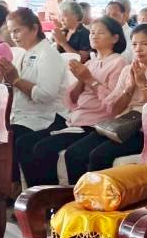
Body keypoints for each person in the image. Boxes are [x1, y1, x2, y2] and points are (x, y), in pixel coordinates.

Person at [60, 24, 147, 177]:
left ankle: (99, 191)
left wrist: (143, 85)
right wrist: (129, 88)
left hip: (145, 131)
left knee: (98, 156)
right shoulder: (127, 70)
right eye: (134, 44)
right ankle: (78, 191)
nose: (138, 49)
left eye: (144, 44)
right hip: (121, 125)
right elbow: (114, 109)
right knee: (73, 153)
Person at [20, 17, 129, 187]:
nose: (94, 36)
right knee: (25, 143)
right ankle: (38, 196)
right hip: (75, 118)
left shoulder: (119, 63)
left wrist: (89, 79)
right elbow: (73, 100)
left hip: (96, 122)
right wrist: (81, 79)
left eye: (100, 32)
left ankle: (56, 197)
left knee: (44, 149)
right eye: (92, 32)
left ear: (115, 38)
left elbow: (113, 104)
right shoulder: (91, 62)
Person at [0, 8, 65, 186]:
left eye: (17, 31)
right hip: (23, 115)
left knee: (18, 140)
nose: (14, 36)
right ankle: (9, 188)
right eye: (11, 32)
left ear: (34, 28)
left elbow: (46, 95)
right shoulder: (24, 53)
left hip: (47, 117)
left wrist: (16, 80)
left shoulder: (48, 54)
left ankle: (34, 194)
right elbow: (16, 89)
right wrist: (8, 80)